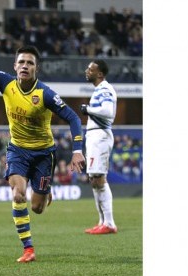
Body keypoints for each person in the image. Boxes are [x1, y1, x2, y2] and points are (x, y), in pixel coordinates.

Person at [0, 16, 86, 263]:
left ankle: (45, 192)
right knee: (18, 193)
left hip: (44, 153)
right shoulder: (5, 83)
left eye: (30, 63)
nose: (25, 66)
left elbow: (73, 117)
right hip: (17, 150)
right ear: (15, 65)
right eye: (21, 62)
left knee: (37, 208)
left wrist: (76, 150)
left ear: (35, 69)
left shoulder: (46, 94)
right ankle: (28, 248)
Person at [80, 60, 118, 234]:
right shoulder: (99, 89)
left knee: (99, 178)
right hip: (95, 135)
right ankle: (102, 221)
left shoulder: (104, 88)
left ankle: (109, 223)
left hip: (100, 135)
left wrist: (88, 109)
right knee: (94, 180)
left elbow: (108, 111)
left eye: (91, 69)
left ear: (100, 74)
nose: (87, 71)